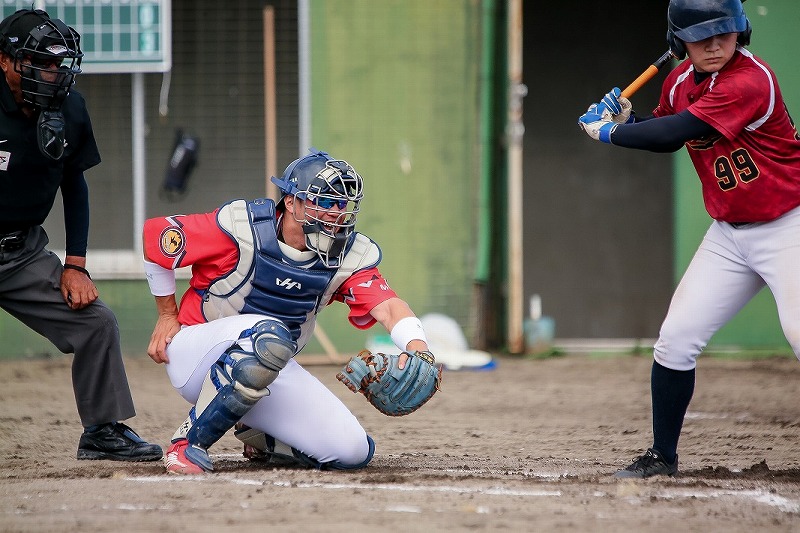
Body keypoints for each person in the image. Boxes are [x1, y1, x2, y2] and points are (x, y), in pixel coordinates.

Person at [578, 0, 800, 478]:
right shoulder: (680, 82)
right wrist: (627, 121)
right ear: (679, 42)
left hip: (789, 225)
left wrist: (609, 133)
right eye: (701, 37)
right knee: (675, 341)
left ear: (741, 31)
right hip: (730, 233)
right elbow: (666, 132)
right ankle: (663, 457)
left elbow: (678, 130)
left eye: (725, 33)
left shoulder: (750, 80)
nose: (715, 45)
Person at [143, 148, 435, 474]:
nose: (336, 213)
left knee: (352, 451)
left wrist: (419, 349)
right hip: (196, 354)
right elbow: (156, 237)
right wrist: (166, 314)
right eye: (325, 201)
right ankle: (187, 444)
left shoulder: (347, 256)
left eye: (342, 205)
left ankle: (261, 437)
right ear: (291, 202)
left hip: (268, 364)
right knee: (270, 337)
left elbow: (389, 307)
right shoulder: (241, 227)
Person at [0, 9, 162, 461]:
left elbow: (75, 186)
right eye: (40, 62)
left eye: (58, 64)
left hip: (21, 252)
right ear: (5, 61)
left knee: (96, 322)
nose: (52, 73)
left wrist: (76, 266)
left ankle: (102, 431)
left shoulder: (69, 108)